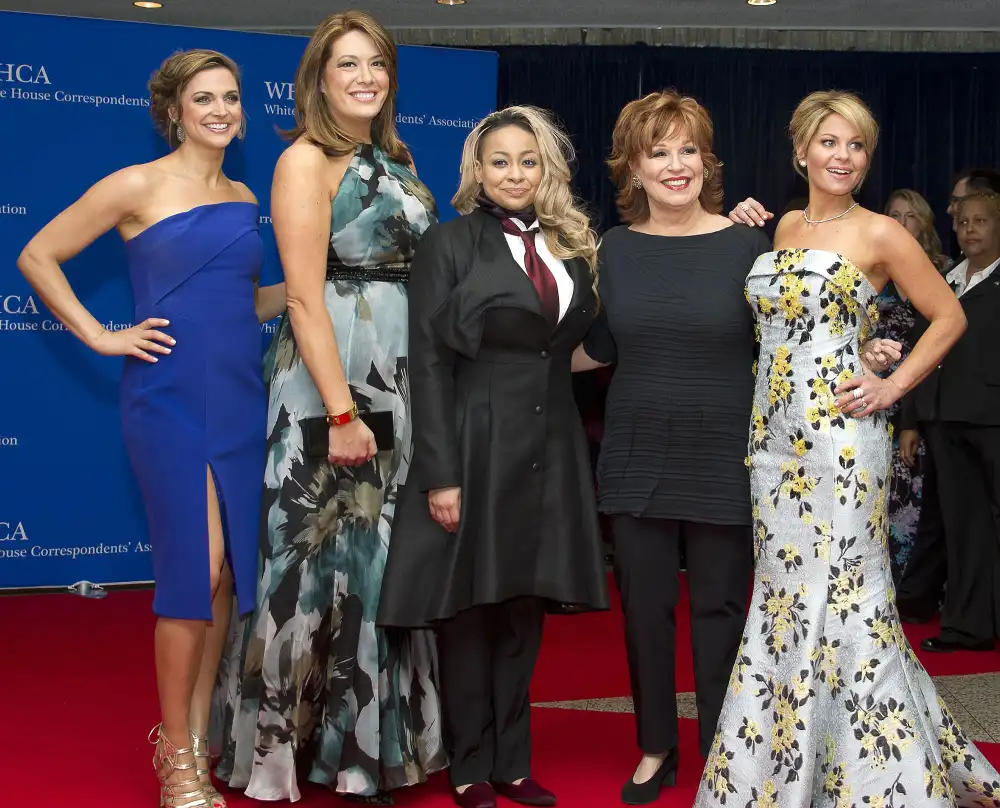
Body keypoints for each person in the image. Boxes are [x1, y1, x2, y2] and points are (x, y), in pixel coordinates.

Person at [694, 90, 1000, 807]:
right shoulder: (782, 225)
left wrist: (891, 388)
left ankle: (878, 779)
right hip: (771, 446)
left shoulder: (883, 233)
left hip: (840, 442)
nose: (842, 156)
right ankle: (787, 769)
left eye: (856, 145)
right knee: (783, 602)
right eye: (829, 142)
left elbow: (948, 316)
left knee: (847, 601)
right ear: (800, 150)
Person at [17, 50, 285, 808]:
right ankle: (174, 758)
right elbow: (38, 254)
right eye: (205, 98)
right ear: (174, 109)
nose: (222, 110)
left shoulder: (240, 193)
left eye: (231, 97)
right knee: (194, 574)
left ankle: (199, 746)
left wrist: (304, 284)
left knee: (229, 573)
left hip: (237, 399)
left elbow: (239, 305)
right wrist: (102, 335)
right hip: (167, 399)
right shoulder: (137, 183)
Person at [214, 11, 446, 805]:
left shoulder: (394, 158)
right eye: (347, 64)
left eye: (377, 63)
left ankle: (360, 749)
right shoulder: (302, 160)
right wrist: (343, 413)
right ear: (319, 78)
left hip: (397, 370)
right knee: (308, 558)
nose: (365, 76)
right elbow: (305, 299)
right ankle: (285, 747)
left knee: (377, 558)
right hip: (330, 373)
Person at [378, 106, 609, 808]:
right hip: (474, 445)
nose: (515, 173)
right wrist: (440, 474)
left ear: (548, 171)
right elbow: (427, 361)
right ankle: (471, 766)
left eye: (528, 161)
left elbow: (578, 349)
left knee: (523, 609)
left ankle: (514, 763)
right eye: (500, 161)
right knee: (472, 611)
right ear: (478, 171)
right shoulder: (449, 243)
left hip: (553, 449)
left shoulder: (573, 247)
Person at [566, 89, 768, 805]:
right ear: (633, 166)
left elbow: (793, 340)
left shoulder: (751, 242)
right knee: (644, 610)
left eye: (688, 150)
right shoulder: (613, 250)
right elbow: (595, 349)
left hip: (724, 453)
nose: (675, 166)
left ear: (706, 162)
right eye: (659, 152)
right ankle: (656, 747)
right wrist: (494, 359)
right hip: (636, 452)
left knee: (720, 612)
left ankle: (721, 748)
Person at [909, 190, 1000, 654]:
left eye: (981, 221)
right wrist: (913, 417)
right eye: (964, 221)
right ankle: (968, 625)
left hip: (992, 419)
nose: (970, 229)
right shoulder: (946, 278)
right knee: (962, 527)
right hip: (945, 418)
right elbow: (922, 346)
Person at [876, 189, 953, 579]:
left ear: (924, 223)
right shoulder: (872, 270)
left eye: (909, 216)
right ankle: (885, 575)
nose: (901, 222)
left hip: (925, 394)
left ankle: (921, 578)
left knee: (926, 488)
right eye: (894, 214)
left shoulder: (946, 272)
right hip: (877, 398)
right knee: (883, 488)